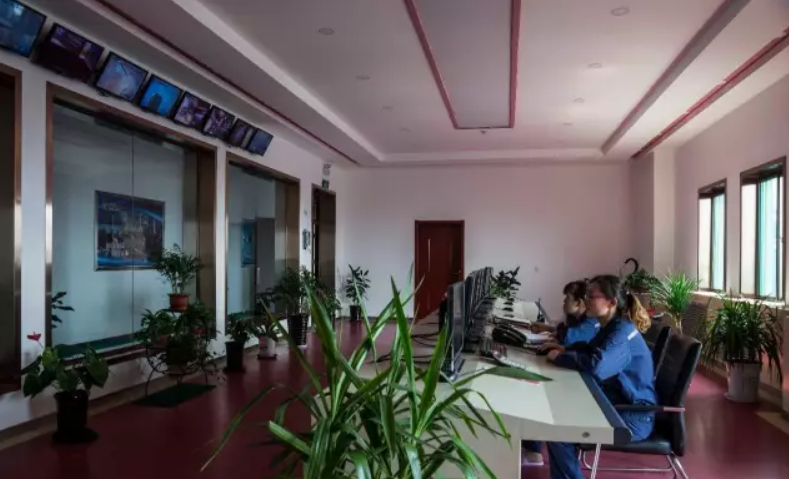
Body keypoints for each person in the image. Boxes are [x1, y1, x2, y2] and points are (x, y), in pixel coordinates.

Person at [544, 274, 657, 479]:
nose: (586, 300)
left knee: (558, 430)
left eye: (591, 296)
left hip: (630, 417)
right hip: (614, 404)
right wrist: (565, 350)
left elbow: (597, 366)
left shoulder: (622, 332)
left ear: (611, 302)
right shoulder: (612, 326)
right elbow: (590, 349)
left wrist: (560, 357)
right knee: (557, 413)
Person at [521, 280, 600, 467]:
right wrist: (554, 336)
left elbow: (569, 337)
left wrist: (557, 348)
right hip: (579, 376)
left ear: (579, 302)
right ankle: (532, 449)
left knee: (538, 393)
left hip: (585, 384)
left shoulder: (591, 323)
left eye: (567, 299)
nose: (563, 302)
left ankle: (533, 451)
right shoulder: (579, 320)